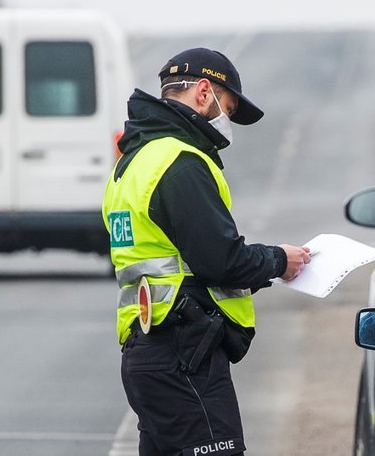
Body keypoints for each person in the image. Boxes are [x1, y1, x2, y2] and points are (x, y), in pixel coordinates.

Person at [103, 47, 310, 456]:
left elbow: (179, 262)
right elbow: (221, 261)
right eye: (227, 108)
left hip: (148, 351)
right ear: (203, 92)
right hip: (183, 353)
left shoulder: (132, 162)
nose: (226, 120)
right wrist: (279, 261)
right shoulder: (180, 162)